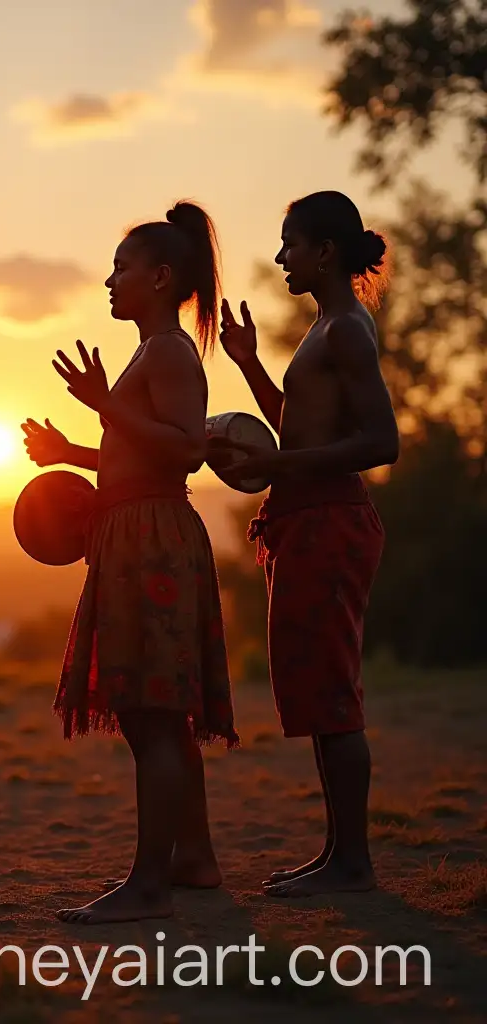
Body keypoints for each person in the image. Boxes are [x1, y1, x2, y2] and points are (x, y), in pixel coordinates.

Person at [21, 202, 239, 924]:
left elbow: (185, 449)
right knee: (161, 718)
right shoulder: (150, 351)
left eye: (122, 268)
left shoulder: (171, 350)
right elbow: (135, 452)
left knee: (152, 717)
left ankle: (148, 884)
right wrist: (71, 453)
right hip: (131, 529)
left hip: (153, 537)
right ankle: (194, 859)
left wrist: (101, 403)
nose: (109, 280)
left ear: (162, 275)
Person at [214, 190, 398, 897]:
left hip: (331, 521)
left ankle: (353, 863)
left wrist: (274, 467)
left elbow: (381, 442)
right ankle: (335, 856)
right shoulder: (324, 326)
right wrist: (248, 363)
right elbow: (300, 428)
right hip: (304, 520)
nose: (280, 256)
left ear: (324, 251)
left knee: (335, 695)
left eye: (289, 243)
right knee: (320, 695)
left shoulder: (348, 329)